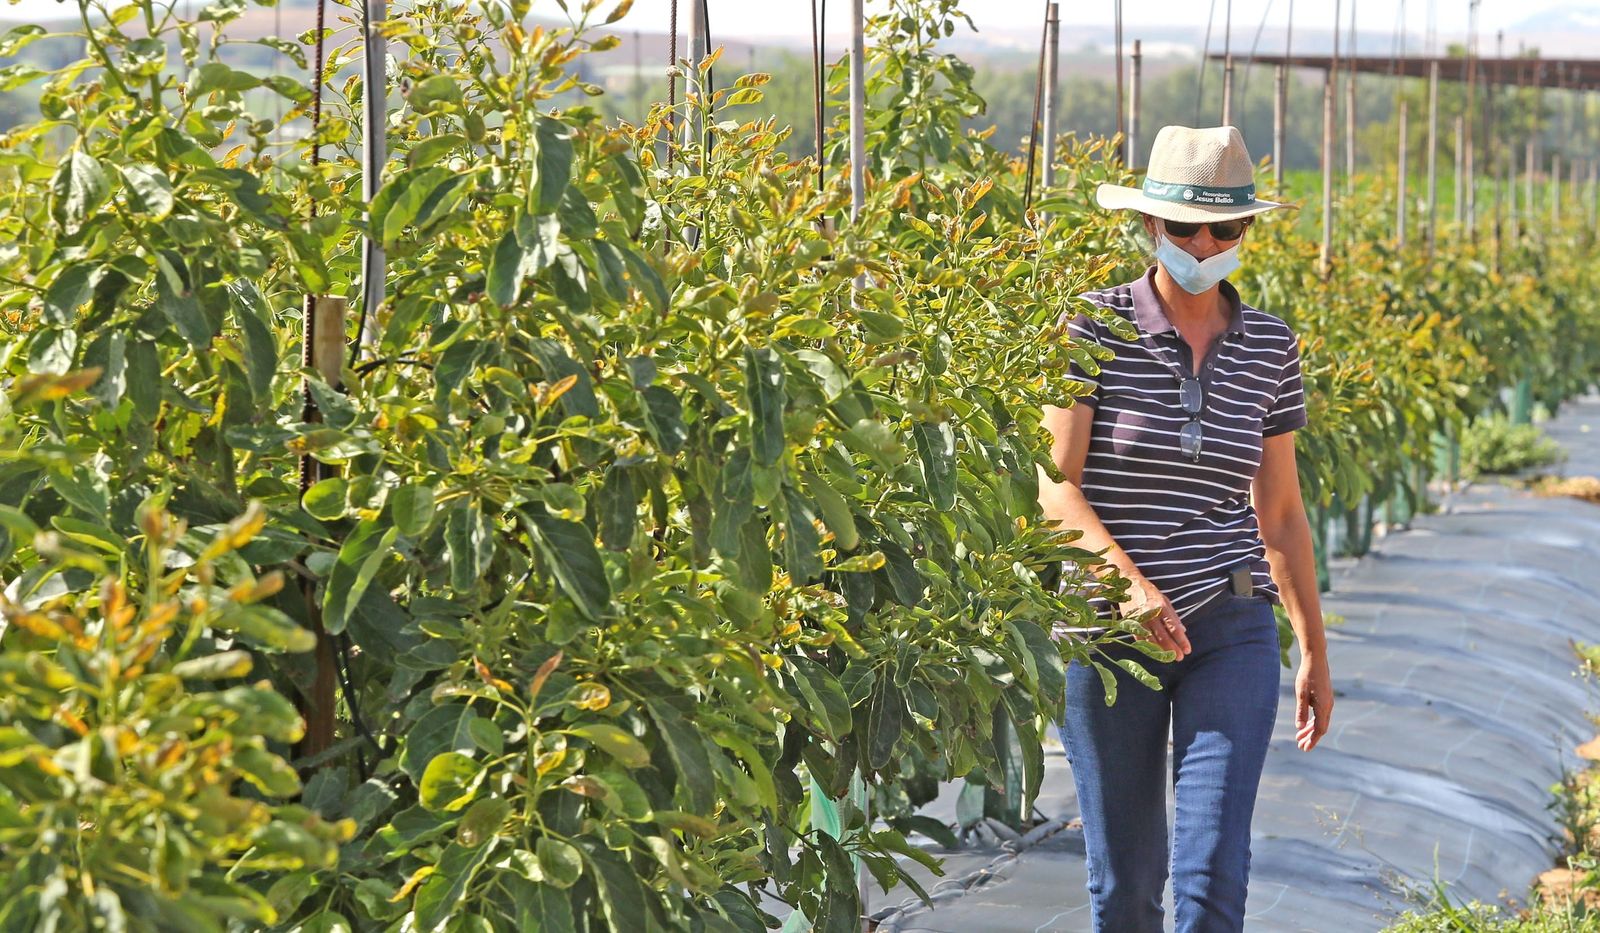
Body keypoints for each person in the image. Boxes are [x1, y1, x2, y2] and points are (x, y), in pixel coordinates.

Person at [1036, 125, 1335, 932]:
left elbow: (1280, 513)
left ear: (1246, 232)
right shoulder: (1092, 328)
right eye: (1185, 227)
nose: (1204, 244)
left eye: (1225, 228)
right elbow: (1055, 485)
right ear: (1149, 227)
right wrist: (1130, 590)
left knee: (1210, 884)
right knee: (1126, 890)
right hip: (1106, 636)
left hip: (1230, 623)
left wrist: (1312, 646)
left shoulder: (1271, 345)